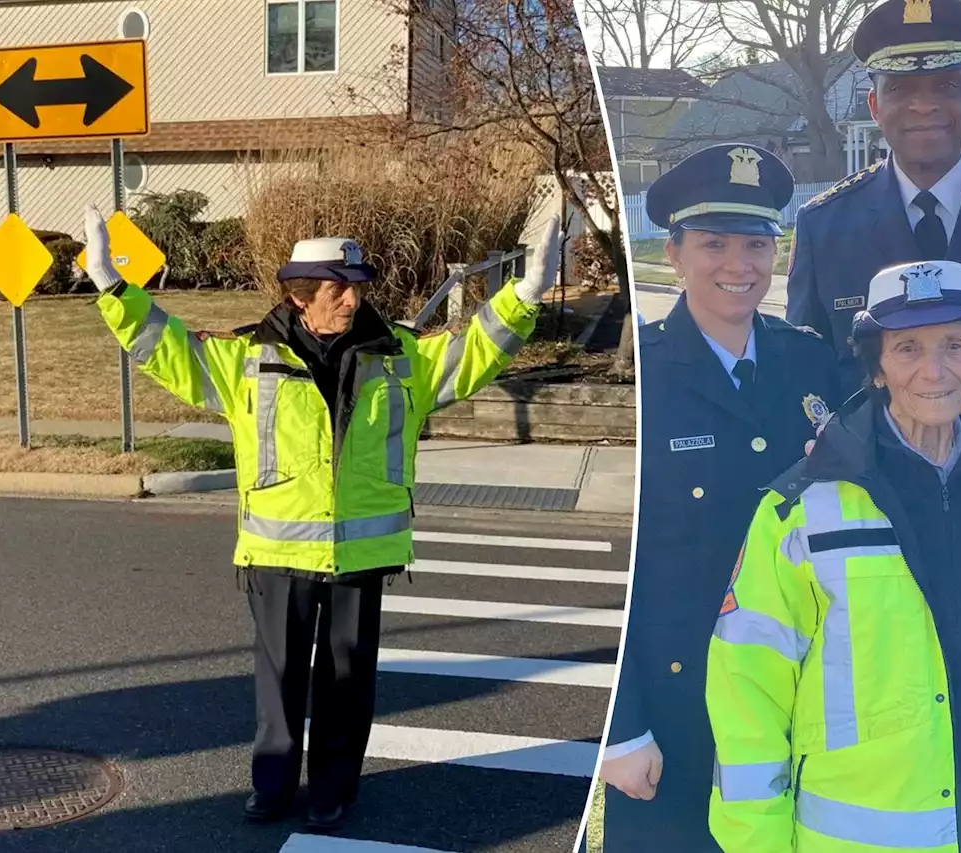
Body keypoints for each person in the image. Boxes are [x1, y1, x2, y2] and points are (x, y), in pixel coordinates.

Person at [80, 205, 560, 832]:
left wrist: (525, 293)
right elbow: (163, 347)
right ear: (301, 294)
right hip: (277, 555)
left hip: (362, 555)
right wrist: (111, 287)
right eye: (339, 286)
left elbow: (475, 352)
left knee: (346, 684)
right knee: (279, 686)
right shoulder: (244, 359)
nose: (352, 297)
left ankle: (334, 790)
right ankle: (272, 788)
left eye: (358, 285)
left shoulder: (400, 357)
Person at [706, 259, 961, 852]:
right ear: (877, 368)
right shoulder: (801, 509)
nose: (934, 370)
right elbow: (747, 692)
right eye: (908, 348)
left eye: (954, 345)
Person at [598, 143, 844, 852]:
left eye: (756, 243)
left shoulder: (810, 364)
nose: (739, 264)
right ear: (673, 253)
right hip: (678, 715)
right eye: (714, 244)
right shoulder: (648, 373)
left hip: (792, 701)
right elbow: (618, 567)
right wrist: (622, 725)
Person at [786, 0, 961, 396]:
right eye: (901, 88)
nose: (923, 105)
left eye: (947, 85)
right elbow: (805, 374)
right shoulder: (824, 226)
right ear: (874, 106)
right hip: (876, 457)